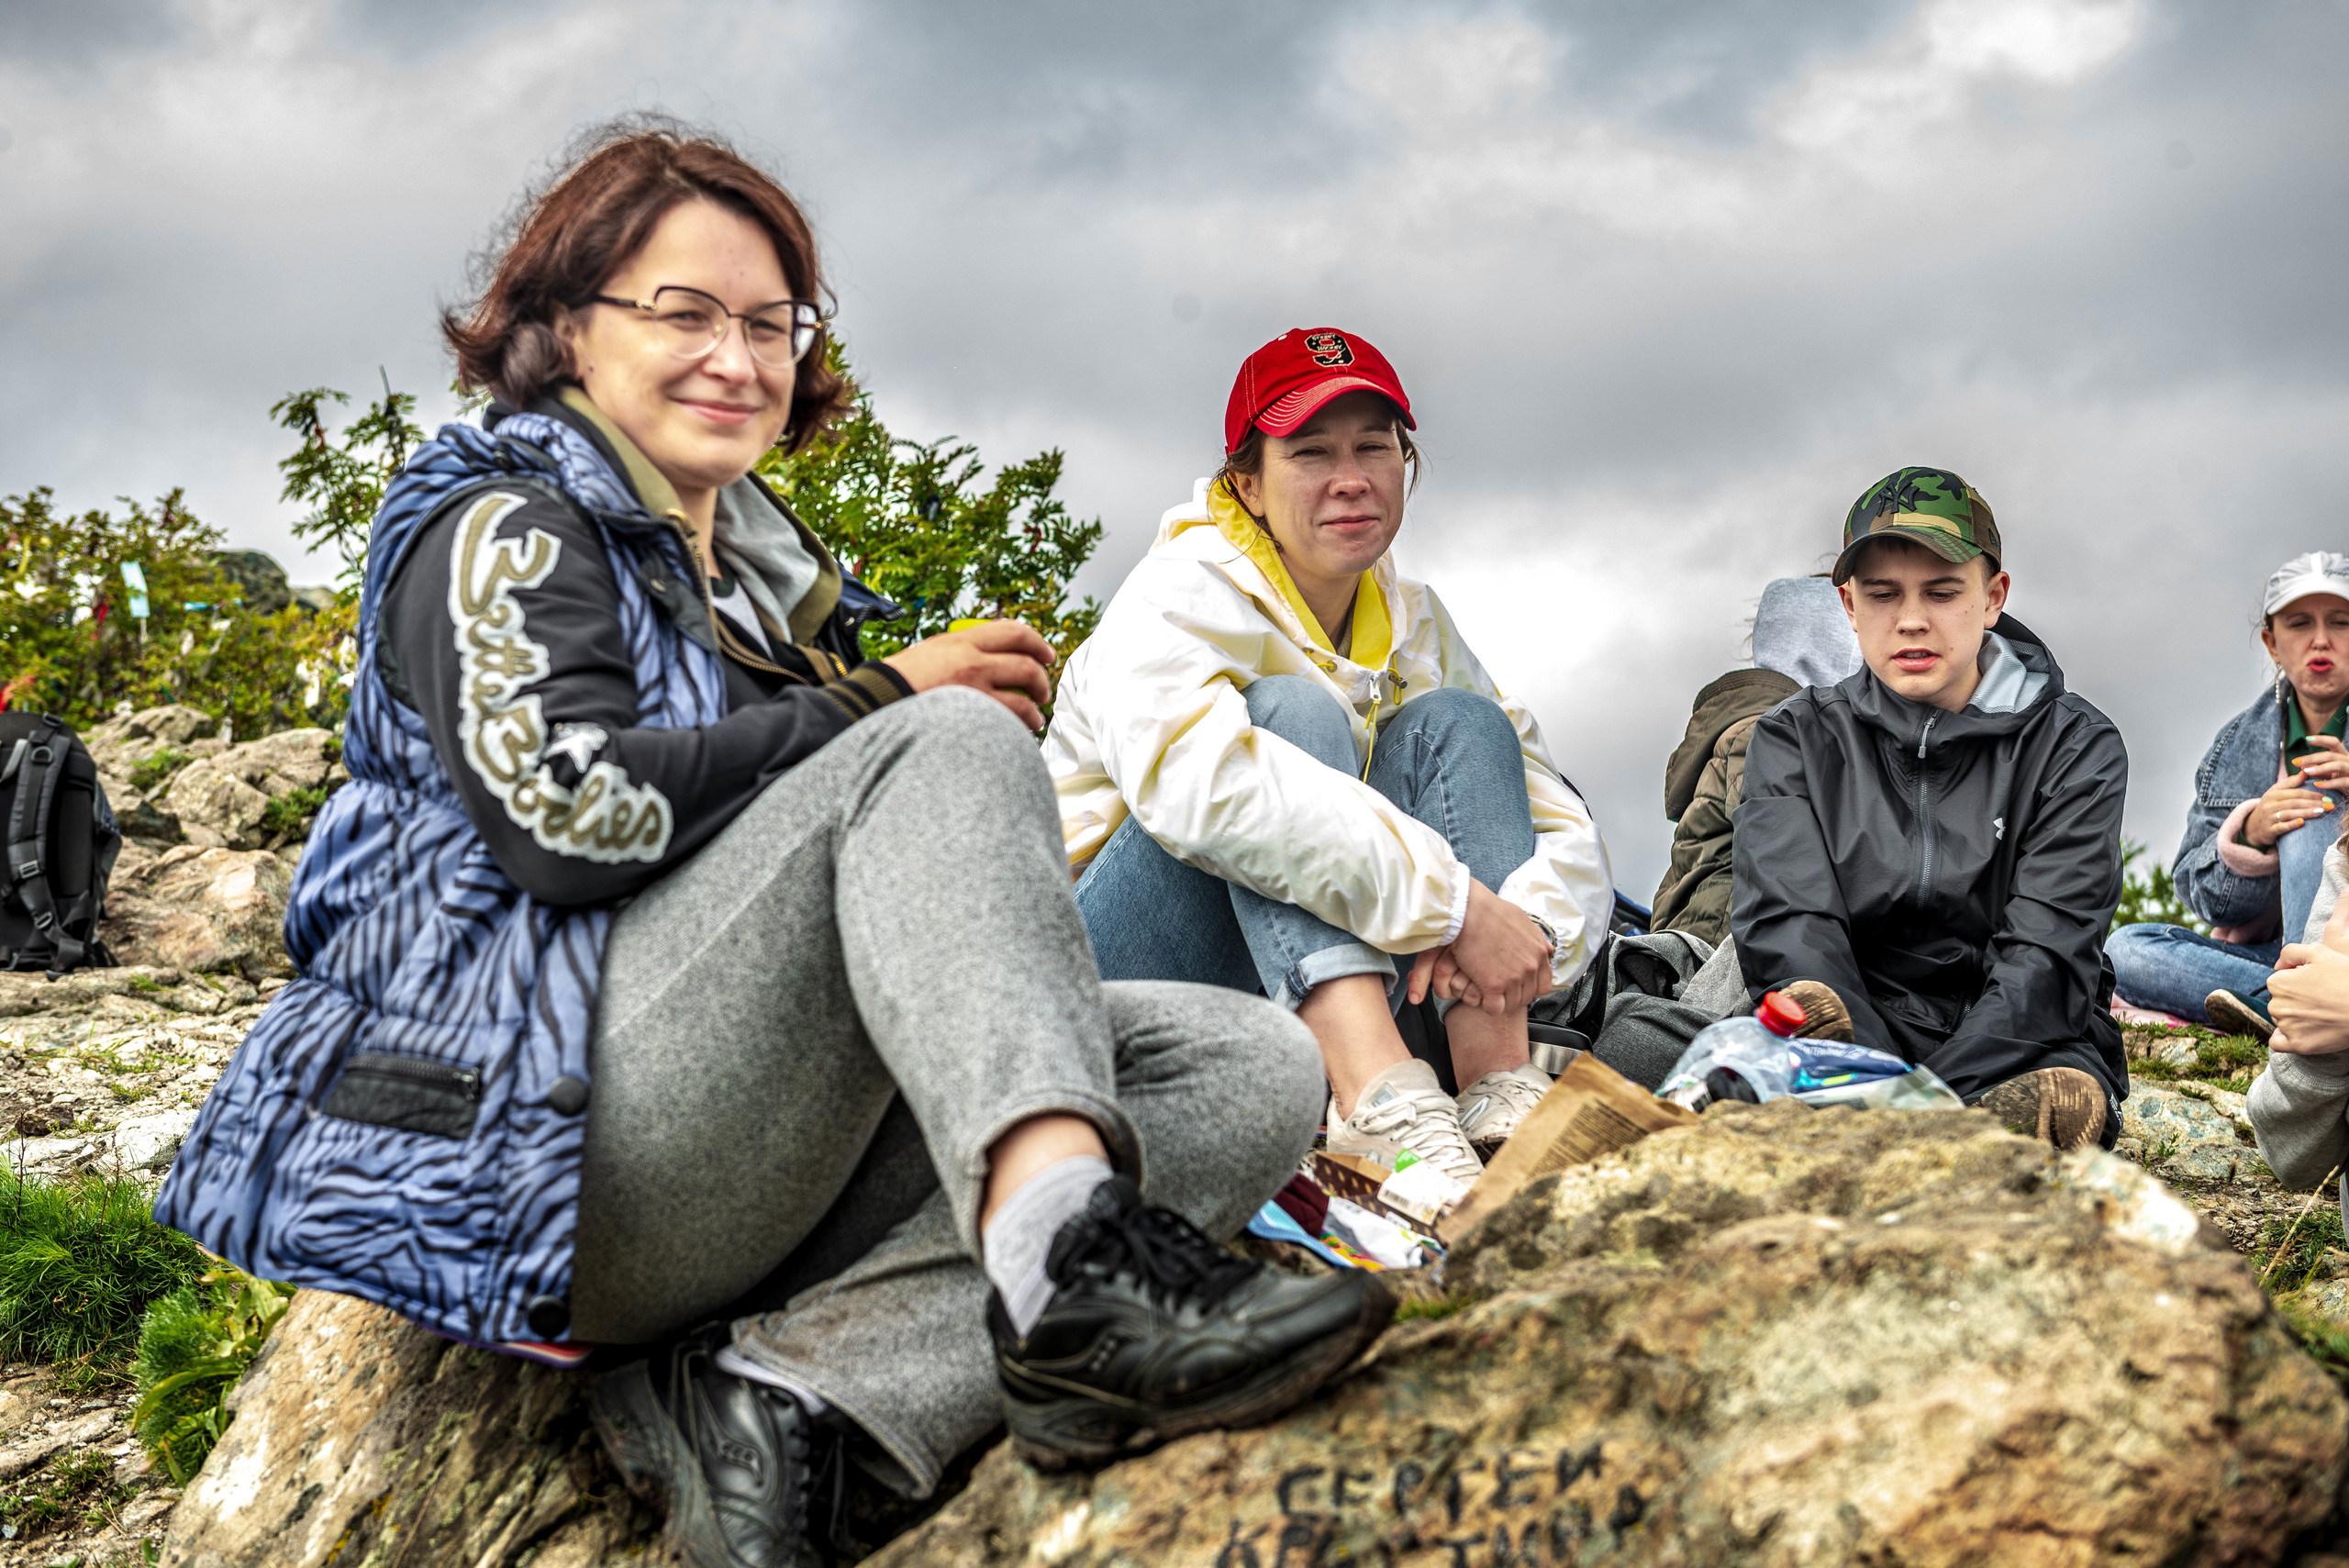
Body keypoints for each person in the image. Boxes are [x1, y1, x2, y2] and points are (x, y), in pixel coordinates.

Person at [152, 127, 1389, 1568]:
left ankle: (790, 1398)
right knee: (943, 739)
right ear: (561, 329)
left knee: (1247, 1064)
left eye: (768, 323)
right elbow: (572, 817)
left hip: (729, 1157)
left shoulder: (757, 585)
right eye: (682, 312)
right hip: (529, 1147)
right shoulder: (501, 522)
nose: (737, 356)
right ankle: (1073, 1271)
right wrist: (884, 704)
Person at [1045, 328, 1614, 1187]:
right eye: (1310, 451)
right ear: (1247, 484)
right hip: (1108, 988)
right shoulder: (1177, 592)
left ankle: (1495, 1083)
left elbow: (1551, 806)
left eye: (1373, 447)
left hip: (1298, 972)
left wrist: (1528, 928)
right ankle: (1378, 1101)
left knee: (1459, 722)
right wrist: (1454, 908)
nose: (1351, 478)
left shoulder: (1414, 616)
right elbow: (1209, 797)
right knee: (1285, 714)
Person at [1731, 466, 2130, 1150]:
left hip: (2016, 1040)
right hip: (1849, 1026)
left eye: (1943, 592)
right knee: (1756, 1044)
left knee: (2063, 1093)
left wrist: (1926, 1098)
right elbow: (1792, 928)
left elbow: (2047, 951)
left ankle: (1941, 1128)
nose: (1911, 619)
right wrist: (1895, 1086)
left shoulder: (2076, 744)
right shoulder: (1792, 736)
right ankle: (1926, 1128)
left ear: (1992, 596)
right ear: (1849, 606)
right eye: (1882, 594)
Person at [2107, 553, 2349, 1040]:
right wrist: (2252, 836)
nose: (2320, 640)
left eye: (2341, 622)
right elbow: (2202, 898)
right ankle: (2286, 1001)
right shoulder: (2234, 746)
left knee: (2314, 805)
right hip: (2269, 959)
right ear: (2272, 643)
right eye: (2299, 623)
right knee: (2125, 949)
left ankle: (2298, 1000)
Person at [1651, 576, 1862, 946]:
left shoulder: (1765, 727)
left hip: (1721, 931)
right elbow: (1793, 845)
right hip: (1727, 948)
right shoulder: (1769, 732)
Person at [2247, 836, 2349, 1227]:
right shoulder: (2345, 863)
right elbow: (2293, 1159)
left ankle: (2263, 995)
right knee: (2129, 948)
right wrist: (2325, 1041)